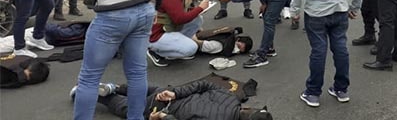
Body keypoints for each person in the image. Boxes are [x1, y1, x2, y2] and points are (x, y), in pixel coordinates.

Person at [215, 0, 294, 68]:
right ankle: (269, 49)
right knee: (267, 16)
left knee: (269, 20)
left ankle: (262, 56)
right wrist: (264, 3)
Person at [72, 80, 273, 120]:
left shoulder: (232, 97)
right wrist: (161, 117)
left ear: (250, 109)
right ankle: (87, 93)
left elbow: (204, 84)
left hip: (167, 93)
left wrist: (176, 92)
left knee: (144, 88)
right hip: (162, 108)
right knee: (123, 107)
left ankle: (114, 87)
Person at [147, 0, 210, 67]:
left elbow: (179, 12)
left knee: (197, 19)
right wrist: (200, 8)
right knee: (191, 48)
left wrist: (197, 10)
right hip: (156, 35)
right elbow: (179, 19)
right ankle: (155, 51)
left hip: (166, 27)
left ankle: (174, 47)